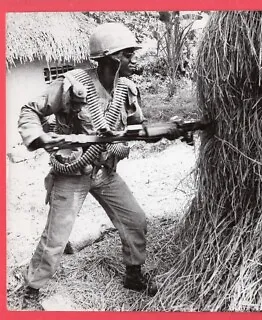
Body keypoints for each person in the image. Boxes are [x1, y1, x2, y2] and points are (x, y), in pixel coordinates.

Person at [18, 22, 174, 310]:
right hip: (73, 172)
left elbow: (137, 128)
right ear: (112, 57)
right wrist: (38, 136)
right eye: (128, 54)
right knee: (56, 237)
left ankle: (133, 275)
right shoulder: (73, 84)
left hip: (105, 171)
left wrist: (167, 130)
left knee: (135, 220)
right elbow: (30, 110)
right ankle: (32, 287)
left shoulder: (127, 89)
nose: (133, 60)